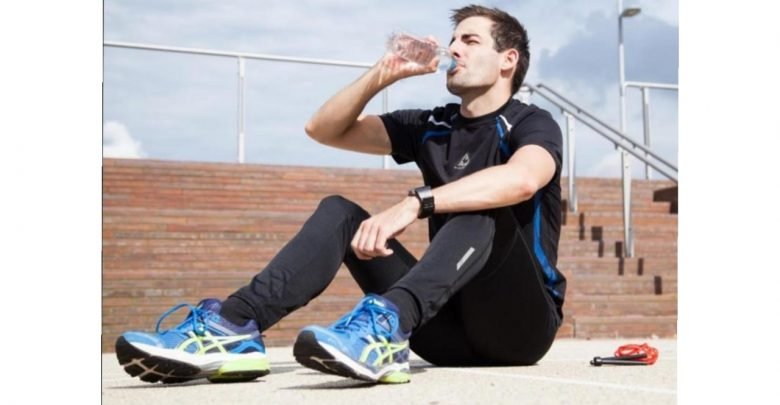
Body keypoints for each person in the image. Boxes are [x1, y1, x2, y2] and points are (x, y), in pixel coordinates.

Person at [115, 4, 566, 385]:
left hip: (518, 328)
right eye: (453, 40)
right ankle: (233, 326)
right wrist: (383, 74)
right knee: (340, 212)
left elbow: (522, 180)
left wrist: (417, 202)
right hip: (439, 330)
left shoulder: (532, 123)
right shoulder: (433, 125)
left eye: (469, 40)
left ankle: (385, 324)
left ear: (508, 59)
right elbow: (323, 129)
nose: (454, 49)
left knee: (484, 204)